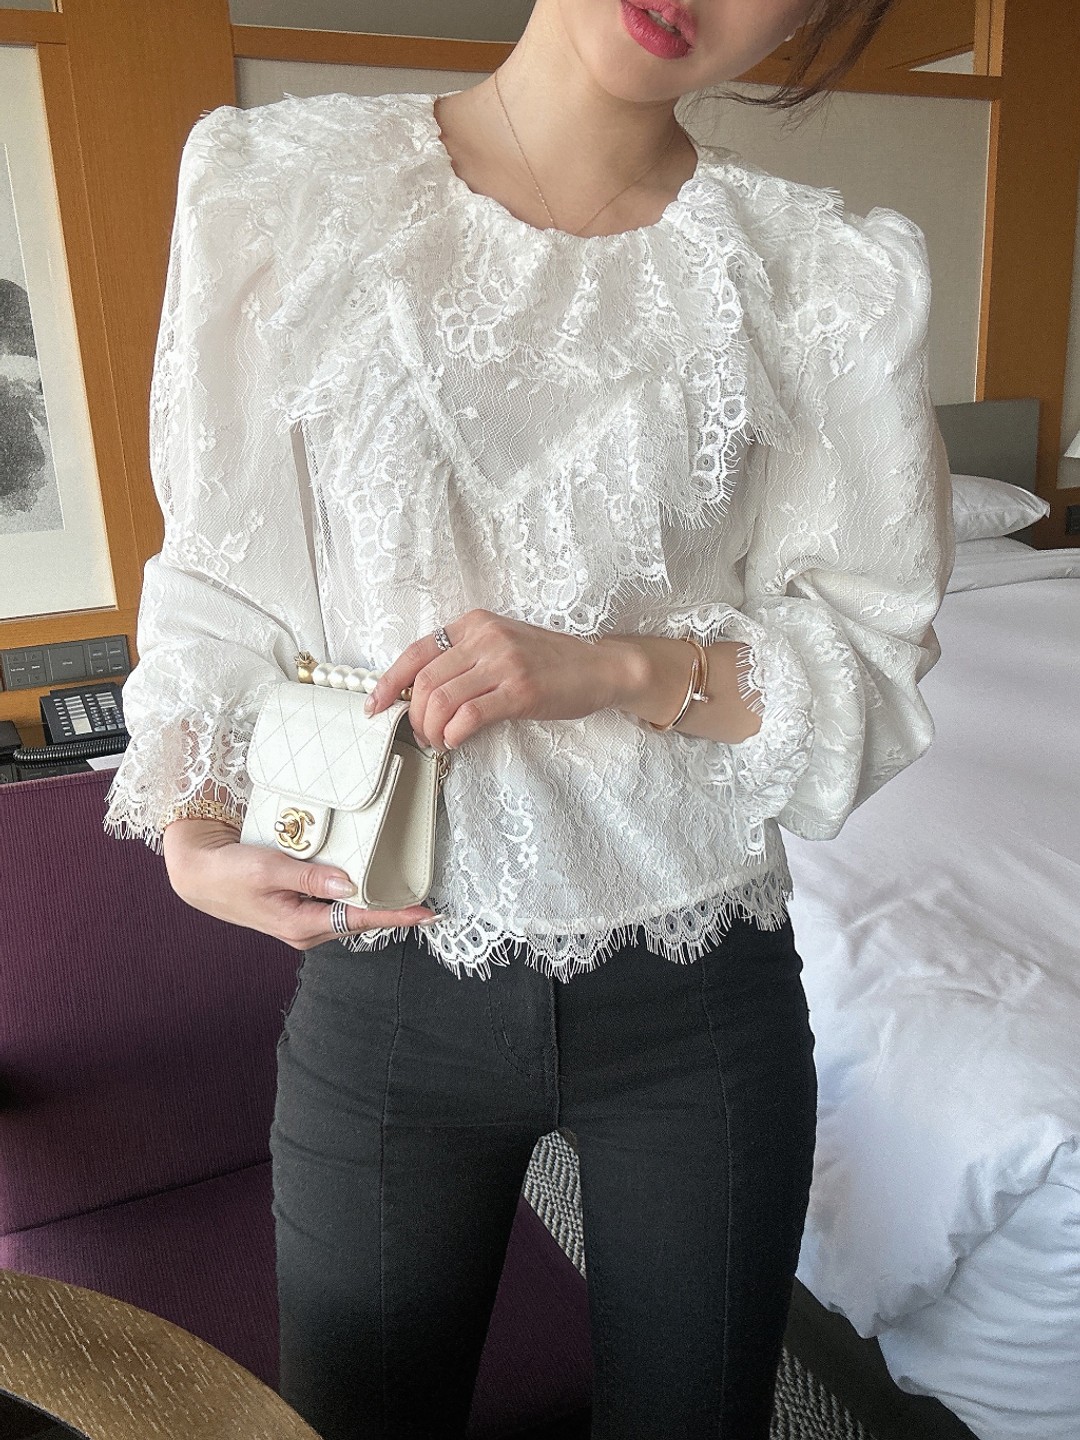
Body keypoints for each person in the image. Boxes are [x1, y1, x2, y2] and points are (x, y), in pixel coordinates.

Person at [103, 0, 955, 1434]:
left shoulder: (823, 276)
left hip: (699, 993)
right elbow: (217, 577)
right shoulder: (279, 190)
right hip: (389, 973)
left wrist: (615, 667)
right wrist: (192, 825)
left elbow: (866, 664)